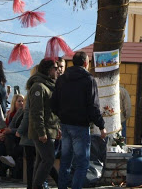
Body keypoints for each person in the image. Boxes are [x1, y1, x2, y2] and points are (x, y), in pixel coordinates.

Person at [51, 51, 106, 189]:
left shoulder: (62, 79)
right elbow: (93, 106)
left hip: (65, 124)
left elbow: (53, 104)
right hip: (81, 126)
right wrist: (101, 125)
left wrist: (62, 115)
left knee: (65, 161)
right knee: (82, 163)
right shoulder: (89, 80)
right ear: (86, 63)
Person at [28, 59, 60, 189]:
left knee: (41, 160)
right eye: (55, 68)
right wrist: (41, 132)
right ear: (48, 70)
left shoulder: (49, 85)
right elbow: (37, 112)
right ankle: (37, 186)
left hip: (50, 128)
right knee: (48, 159)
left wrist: (57, 127)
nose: (57, 70)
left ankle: (35, 186)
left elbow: (51, 111)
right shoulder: (38, 87)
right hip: (42, 131)